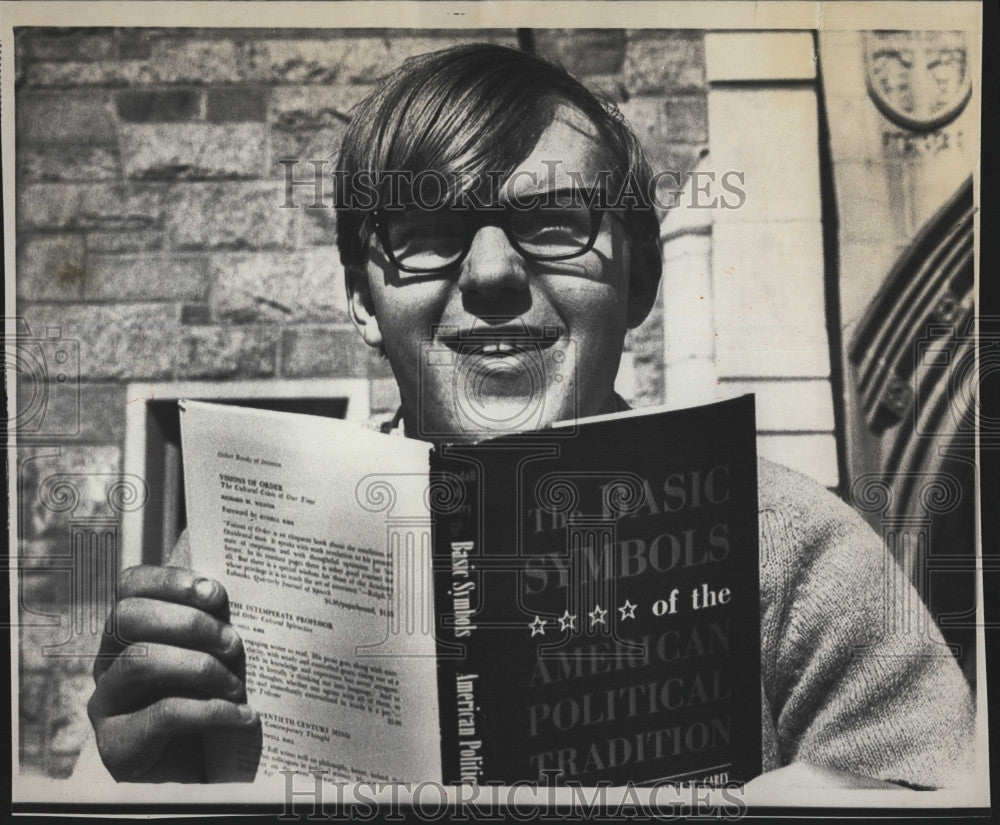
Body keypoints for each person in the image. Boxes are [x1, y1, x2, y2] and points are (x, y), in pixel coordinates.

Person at [84, 43, 975, 789]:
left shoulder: (801, 550)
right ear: (363, 301)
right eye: (428, 230)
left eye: (553, 221)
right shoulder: (228, 565)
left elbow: (936, 789)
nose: (492, 274)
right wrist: (132, 785)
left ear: (637, 285)